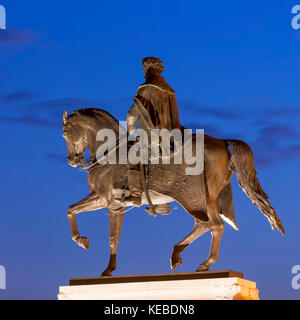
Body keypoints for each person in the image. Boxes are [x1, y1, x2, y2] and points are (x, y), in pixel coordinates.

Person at [125, 57, 184, 207]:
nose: (144, 73)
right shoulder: (170, 91)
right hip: (173, 136)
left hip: (154, 138)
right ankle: (162, 203)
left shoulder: (146, 89)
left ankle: (136, 194)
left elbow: (132, 116)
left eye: (144, 69)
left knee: (132, 154)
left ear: (148, 70)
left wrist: (132, 132)